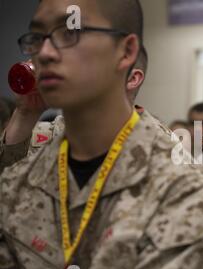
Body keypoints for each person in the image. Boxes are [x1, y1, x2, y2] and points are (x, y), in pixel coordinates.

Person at [0, 0, 203, 269]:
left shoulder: (181, 191)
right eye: (37, 37)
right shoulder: (17, 184)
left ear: (126, 52)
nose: (46, 52)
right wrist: (26, 112)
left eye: (70, 33)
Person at [0, 45, 148, 175]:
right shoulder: (54, 133)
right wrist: (25, 113)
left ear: (131, 79)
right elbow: (7, 179)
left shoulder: (161, 144)